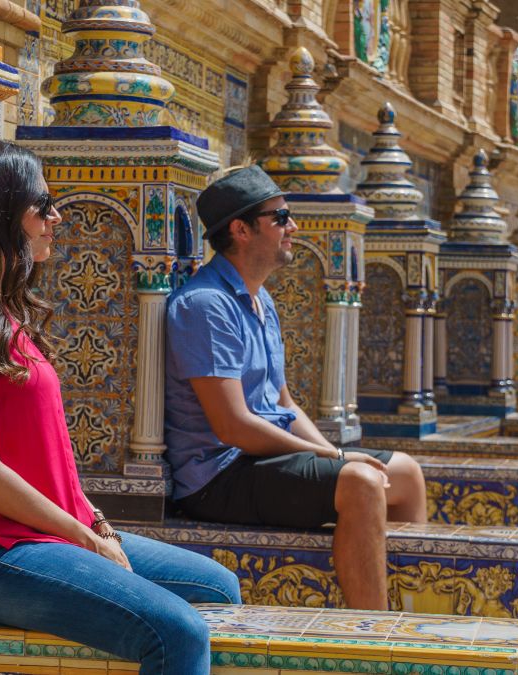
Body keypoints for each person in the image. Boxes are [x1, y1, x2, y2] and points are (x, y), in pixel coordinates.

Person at [0, 139, 240, 675]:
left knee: (218, 587)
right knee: (179, 632)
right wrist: (88, 541)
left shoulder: (4, 312)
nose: (56, 217)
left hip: (46, 532)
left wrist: (97, 524)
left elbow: (49, 461)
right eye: (42, 205)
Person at [164, 165, 428, 611]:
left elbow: (283, 402)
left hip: (260, 459)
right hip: (217, 476)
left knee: (405, 474)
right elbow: (232, 426)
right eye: (281, 218)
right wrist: (335, 458)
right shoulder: (205, 305)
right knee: (362, 483)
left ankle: (405, 608)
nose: (294, 228)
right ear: (241, 229)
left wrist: (330, 452)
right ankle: (374, 632)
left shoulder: (260, 299)